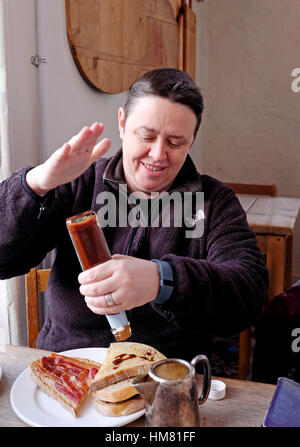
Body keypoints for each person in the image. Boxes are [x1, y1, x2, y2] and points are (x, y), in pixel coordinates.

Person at [0, 68, 268, 360]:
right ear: (122, 123)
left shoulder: (214, 202)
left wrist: (163, 280)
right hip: (68, 366)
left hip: (164, 379)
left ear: (192, 140)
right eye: (146, 135)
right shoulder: (78, 181)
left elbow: (247, 296)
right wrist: (35, 185)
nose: (157, 154)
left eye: (175, 142)